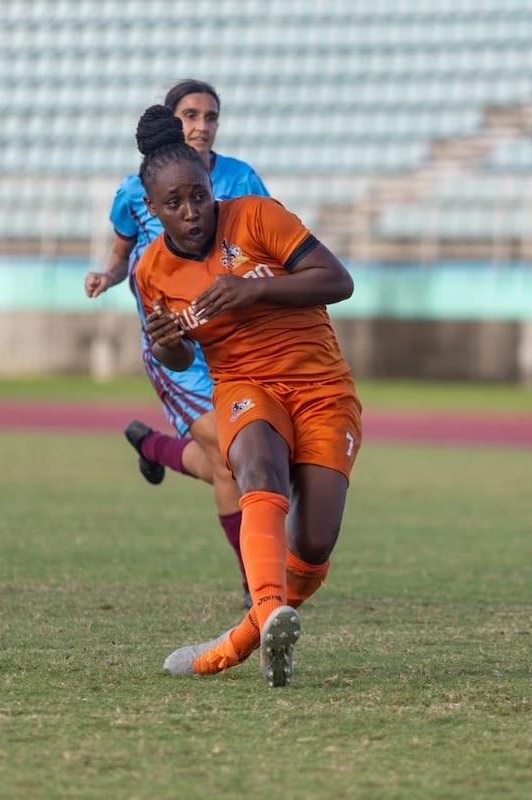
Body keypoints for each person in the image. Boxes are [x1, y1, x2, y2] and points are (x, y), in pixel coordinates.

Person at [130, 104, 362, 685]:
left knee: (314, 539)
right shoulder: (152, 271)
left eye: (199, 196)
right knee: (256, 467)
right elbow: (182, 353)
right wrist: (165, 347)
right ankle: (252, 626)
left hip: (321, 387)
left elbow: (339, 281)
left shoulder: (258, 216)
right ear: (153, 210)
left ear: (213, 189)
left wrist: (250, 292)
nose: (191, 212)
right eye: (174, 204)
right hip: (245, 386)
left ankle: (243, 637)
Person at [84, 80, 270, 607]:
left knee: (238, 459)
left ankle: (153, 447)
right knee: (231, 459)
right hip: (177, 352)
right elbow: (123, 255)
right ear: (171, 122)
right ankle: (256, 583)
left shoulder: (242, 179)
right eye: (190, 114)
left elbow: (267, 242)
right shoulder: (133, 191)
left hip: (235, 340)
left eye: (211, 116)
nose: (202, 125)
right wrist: (108, 275)